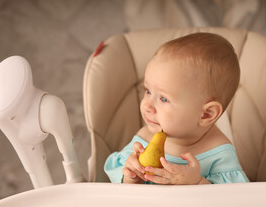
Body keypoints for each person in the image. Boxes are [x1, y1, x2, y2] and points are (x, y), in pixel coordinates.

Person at [104, 32, 249, 184]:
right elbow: (121, 193)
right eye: (148, 91)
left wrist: (198, 183)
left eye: (164, 99)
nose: (147, 106)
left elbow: (233, 200)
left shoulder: (219, 154)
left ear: (206, 114)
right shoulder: (144, 139)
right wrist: (132, 176)